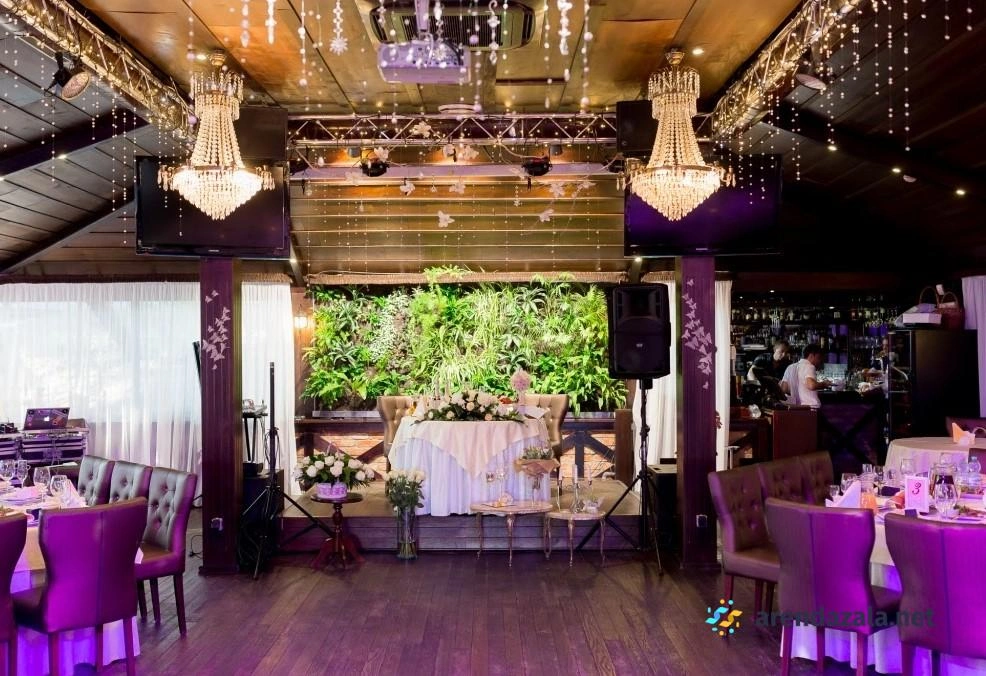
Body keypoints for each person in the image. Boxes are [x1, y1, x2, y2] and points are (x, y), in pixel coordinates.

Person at [794, 344, 831, 409]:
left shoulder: (794, 366)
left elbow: (785, 388)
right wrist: (824, 384)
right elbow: (812, 385)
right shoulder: (809, 366)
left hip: (800, 407)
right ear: (811, 355)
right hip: (812, 406)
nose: (819, 361)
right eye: (818, 358)